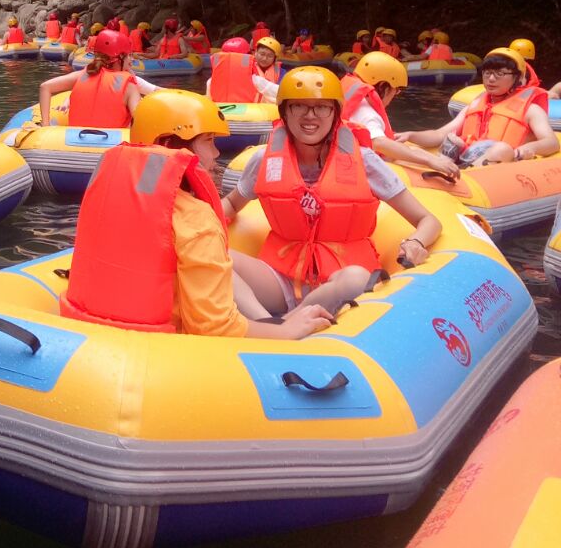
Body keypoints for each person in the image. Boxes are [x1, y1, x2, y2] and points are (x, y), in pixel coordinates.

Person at [60, 89, 332, 338]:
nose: (216, 153)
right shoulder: (196, 219)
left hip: (88, 333)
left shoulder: (108, 192)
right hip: (162, 348)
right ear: (170, 143)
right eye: (209, 141)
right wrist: (286, 331)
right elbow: (216, 327)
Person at [224, 67, 441, 318]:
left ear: (335, 112)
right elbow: (230, 203)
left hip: (341, 282)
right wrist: (201, 229)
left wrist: (416, 242)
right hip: (280, 279)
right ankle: (266, 323)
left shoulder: (365, 162)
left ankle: (286, 322)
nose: (310, 116)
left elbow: (428, 220)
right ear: (285, 111)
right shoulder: (263, 159)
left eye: (321, 107)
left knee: (357, 278)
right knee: (214, 256)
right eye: (299, 106)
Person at [400, 47, 557, 165]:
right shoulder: (475, 105)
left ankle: (460, 176)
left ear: (518, 78)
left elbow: (551, 142)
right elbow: (439, 134)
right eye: (487, 73)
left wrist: (526, 150)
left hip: (502, 163)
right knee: (451, 139)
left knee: (502, 149)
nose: (491, 79)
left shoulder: (531, 110)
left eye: (500, 74)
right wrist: (410, 135)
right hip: (469, 157)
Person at [341, 52, 458, 177]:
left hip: (346, 159)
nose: (395, 95)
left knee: (416, 152)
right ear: (383, 87)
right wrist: (429, 160)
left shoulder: (351, 98)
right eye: (397, 90)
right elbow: (379, 143)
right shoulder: (367, 113)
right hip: (358, 171)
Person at [38, 30, 141, 128]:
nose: (131, 60)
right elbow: (140, 120)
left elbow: (45, 87)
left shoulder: (82, 75)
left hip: (73, 142)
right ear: (120, 57)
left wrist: (46, 126)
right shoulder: (129, 86)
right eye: (129, 56)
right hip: (112, 144)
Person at [206, 36, 282, 102]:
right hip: (250, 115)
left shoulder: (211, 81)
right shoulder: (256, 80)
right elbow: (280, 92)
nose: (265, 58)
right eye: (262, 54)